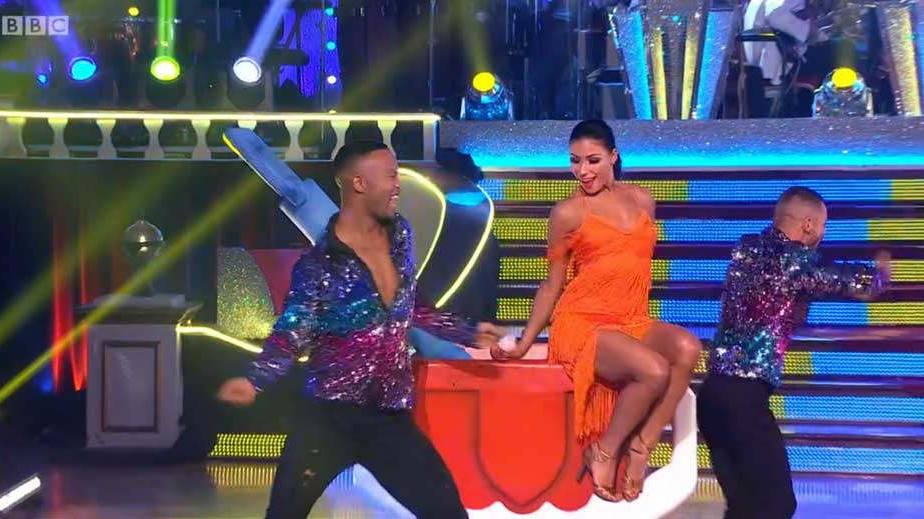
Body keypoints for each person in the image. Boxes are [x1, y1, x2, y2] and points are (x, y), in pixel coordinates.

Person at [218, 140, 502, 519]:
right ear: (359, 184)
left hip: (389, 420)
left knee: (448, 513)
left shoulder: (400, 236)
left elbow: (412, 308)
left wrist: (467, 332)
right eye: (390, 175)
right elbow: (292, 331)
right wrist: (255, 380)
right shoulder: (320, 264)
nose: (398, 185)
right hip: (327, 420)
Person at [485, 119, 701, 502]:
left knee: (688, 348)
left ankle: (642, 446)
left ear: (613, 157)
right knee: (654, 370)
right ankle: (603, 451)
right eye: (575, 161)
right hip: (582, 324)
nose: (583, 171)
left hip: (631, 319)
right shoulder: (568, 213)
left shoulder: (643, 200)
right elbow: (552, 285)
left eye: (593, 160)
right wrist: (524, 342)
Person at [697, 186, 890, 519]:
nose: (824, 234)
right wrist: (882, 273)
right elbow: (852, 282)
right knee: (776, 506)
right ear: (808, 225)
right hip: (743, 400)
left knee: (745, 508)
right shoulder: (794, 261)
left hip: (713, 396)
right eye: (823, 225)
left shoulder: (747, 248)